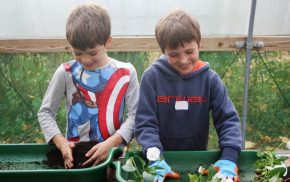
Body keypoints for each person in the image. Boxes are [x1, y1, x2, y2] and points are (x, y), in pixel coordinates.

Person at [134, 9, 242, 182]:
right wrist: (154, 159)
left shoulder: (210, 79)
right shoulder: (152, 77)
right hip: (161, 161)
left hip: (196, 161)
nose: (183, 60)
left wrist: (229, 157)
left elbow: (228, 120)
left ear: (199, 44)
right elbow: (145, 123)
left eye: (189, 51)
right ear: (164, 51)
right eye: (174, 54)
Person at [38, 2, 139, 169]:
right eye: (77, 53)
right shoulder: (66, 72)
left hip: (113, 158)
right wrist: (61, 142)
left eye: (93, 53)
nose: (85, 60)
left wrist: (113, 143)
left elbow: (136, 115)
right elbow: (46, 112)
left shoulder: (126, 73)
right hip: (76, 159)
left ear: (108, 41)